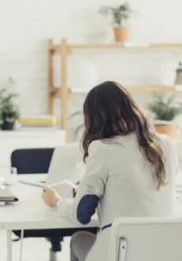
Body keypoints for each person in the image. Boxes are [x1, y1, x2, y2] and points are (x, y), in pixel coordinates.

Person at [41, 81, 178, 261]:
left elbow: (80, 215)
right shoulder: (166, 144)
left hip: (122, 253)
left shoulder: (103, 148)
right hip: (164, 252)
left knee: (78, 239)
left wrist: (57, 202)